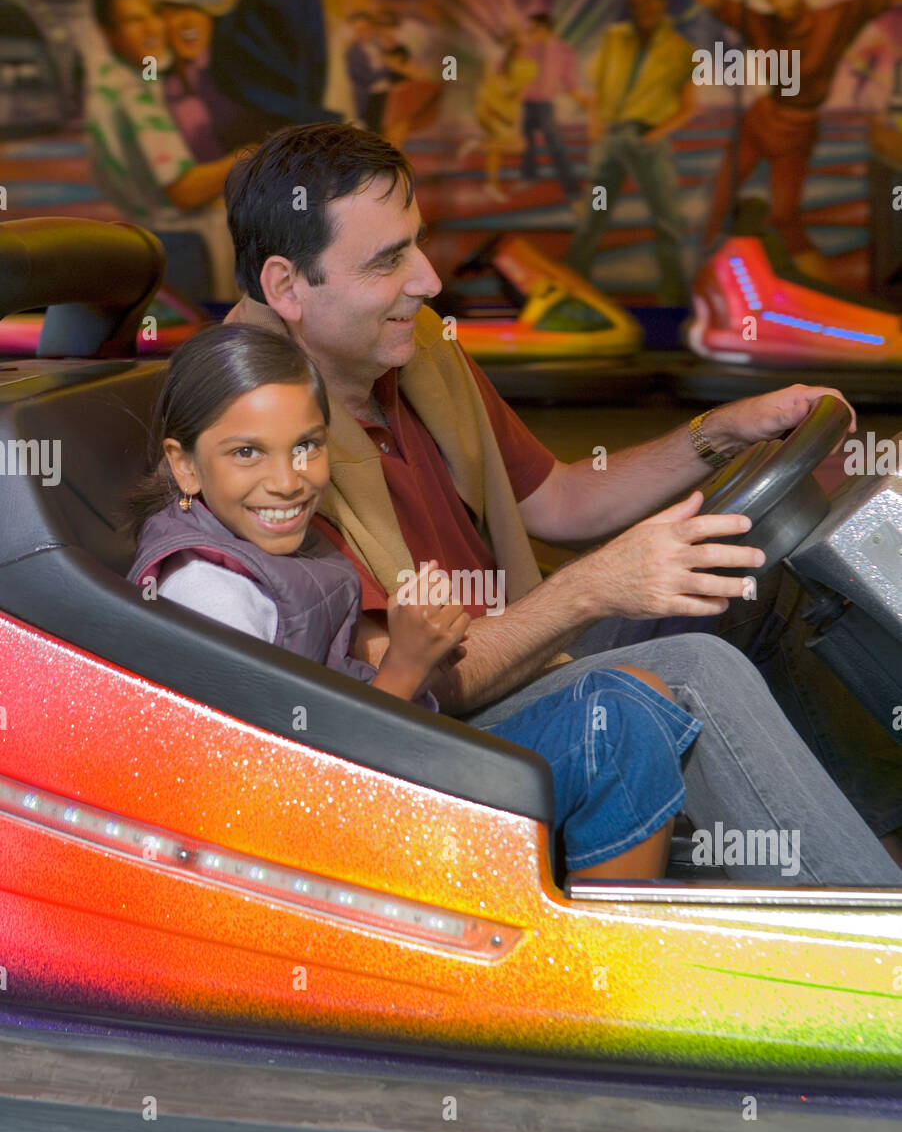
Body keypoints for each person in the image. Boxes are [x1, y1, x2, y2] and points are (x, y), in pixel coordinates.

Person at [219, 120, 902, 884]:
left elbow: (559, 501)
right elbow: (425, 684)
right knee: (693, 666)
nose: (428, 281)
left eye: (415, 244)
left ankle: (873, 850)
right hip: (430, 731)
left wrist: (715, 433)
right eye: (387, 262)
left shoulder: (417, 358)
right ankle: (877, 941)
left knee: (745, 571)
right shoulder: (258, 437)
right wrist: (596, 586)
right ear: (286, 288)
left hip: (508, 648)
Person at [124, 323, 705, 882]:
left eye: (307, 446)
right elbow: (283, 803)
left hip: (389, 772)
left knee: (638, 696)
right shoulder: (208, 593)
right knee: (620, 724)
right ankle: (607, 969)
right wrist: (404, 667)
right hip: (343, 844)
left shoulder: (268, 540)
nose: (287, 480)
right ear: (185, 465)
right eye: (247, 453)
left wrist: (418, 653)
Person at [665, 0, 902, 279]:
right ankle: (703, 283)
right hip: (761, 120)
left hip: (797, 130)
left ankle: (828, 303)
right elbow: (716, 2)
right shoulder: (762, 23)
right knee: (719, 199)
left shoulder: (834, 18)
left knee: (785, 218)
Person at [84, 0, 243, 299]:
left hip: (156, 244)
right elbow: (184, 190)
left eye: (154, 14)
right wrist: (256, 154)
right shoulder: (133, 97)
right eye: (133, 21)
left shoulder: (119, 83)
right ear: (107, 33)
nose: (152, 29)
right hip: (181, 247)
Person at [566, 0, 695, 305]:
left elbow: (689, 107)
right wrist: (595, 126)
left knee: (667, 219)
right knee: (593, 215)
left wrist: (656, 134)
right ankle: (573, 289)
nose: (643, 9)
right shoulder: (615, 38)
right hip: (610, 140)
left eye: (649, 2)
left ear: (662, 3)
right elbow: (597, 88)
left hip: (646, 139)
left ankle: (674, 299)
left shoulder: (680, 50)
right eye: (637, 4)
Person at [152, 0, 250, 162]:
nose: (190, 20)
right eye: (175, 11)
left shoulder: (235, 70)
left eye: (199, 9)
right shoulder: (156, 81)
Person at [515, 12, 589, 205]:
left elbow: (569, 81)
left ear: (545, 29)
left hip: (545, 105)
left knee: (556, 146)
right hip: (526, 103)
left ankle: (572, 190)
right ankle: (528, 176)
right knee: (526, 144)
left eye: (533, 29)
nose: (529, 33)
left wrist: (581, 98)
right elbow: (514, 71)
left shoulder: (565, 51)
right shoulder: (527, 49)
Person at [459, 32, 537, 202]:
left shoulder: (528, 65)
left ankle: (490, 182)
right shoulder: (500, 64)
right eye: (521, 45)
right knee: (517, 146)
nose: (525, 48)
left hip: (506, 109)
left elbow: (519, 92)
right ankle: (488, 175)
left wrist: (512, 103)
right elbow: (493, 87)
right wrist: (496, 107)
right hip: (494, 108)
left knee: (498, 148)